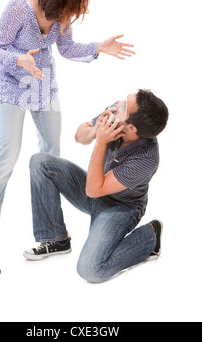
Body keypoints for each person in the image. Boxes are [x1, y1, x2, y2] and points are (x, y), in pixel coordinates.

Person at [0, 0, 135, 277]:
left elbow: (66, 48)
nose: (74, 16)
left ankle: (54, 234)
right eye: (74, 8)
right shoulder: (20, 6)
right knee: (6, 158)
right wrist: (20, 59)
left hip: (45, 89)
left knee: (51, 157)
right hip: (13, 89)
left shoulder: (63, 18)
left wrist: (98, 47)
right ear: (59, 0)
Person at [23, 89, 169, 283]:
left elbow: (94, 190)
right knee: (41, 161)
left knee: (90, 270)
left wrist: (101, 142)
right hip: (96, 189)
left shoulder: (146, 159)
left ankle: (150, 236)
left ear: (132, 129)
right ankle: (57, 239)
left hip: (122, 208)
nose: (118, 103)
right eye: (124, 100)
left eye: (124, 105)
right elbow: (79, 136)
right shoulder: (116, 114)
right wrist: (94, 131)